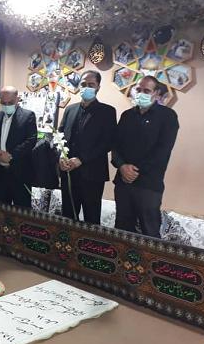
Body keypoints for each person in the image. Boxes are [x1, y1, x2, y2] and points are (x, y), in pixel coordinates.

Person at [112, 76, 179, 238]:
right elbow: (115, 145)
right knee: (122, 230)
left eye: (147, 91)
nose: (141, 93)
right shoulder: (127, 115)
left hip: (148, 185)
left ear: (156, 93)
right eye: (138, 90)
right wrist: (122, 166)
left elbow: (162, 150)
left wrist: (135, 171)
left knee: (149, 232)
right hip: (123, 183)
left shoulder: (167, 116)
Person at [58, 71, 117, 224]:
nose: (86, 87)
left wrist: (81, 159)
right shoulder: (70, 109)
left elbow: (108, 143)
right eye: (83, 84)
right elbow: (59, 136)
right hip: (68, 173)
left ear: (98, 87)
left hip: (92, 175)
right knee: (67, 217)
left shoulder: (107, 111)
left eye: (91, 84)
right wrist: (61, 157)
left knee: (91, 219)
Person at [0, 86, 37, 207]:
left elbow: (31, 140)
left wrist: (11, 156)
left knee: (22, 210)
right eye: (4, 103)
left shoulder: (28, 116)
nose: (7, 105)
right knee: (1, 209)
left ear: (17, 99)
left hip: (20, 172)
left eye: (10, 102)